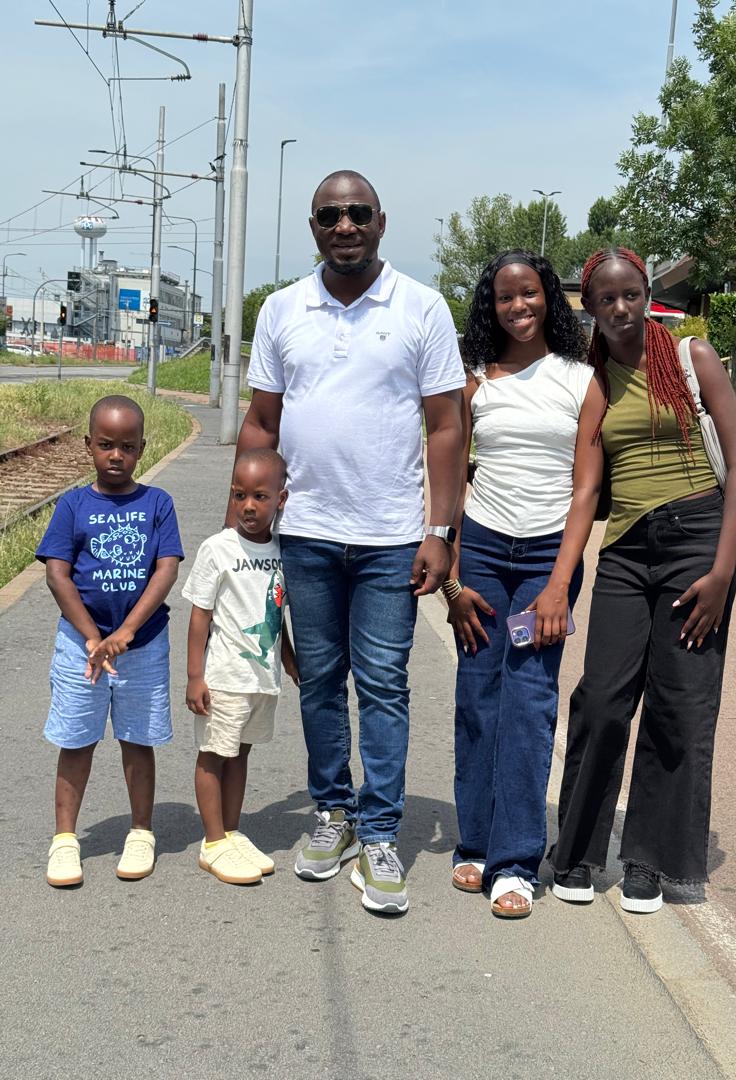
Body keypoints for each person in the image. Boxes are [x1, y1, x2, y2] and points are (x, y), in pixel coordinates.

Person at [233, 169, 466, 914]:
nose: (344, 226)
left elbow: (446, 425)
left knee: (385, 685)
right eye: (330, 215)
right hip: (305, 535)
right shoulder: (281, 310)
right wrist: (242, 525)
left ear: (381, 221)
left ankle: (382, 830)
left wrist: (440, 532)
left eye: (357, 213)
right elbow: (263, 422)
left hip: (390, 538)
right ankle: (331, 813)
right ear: (314, 227)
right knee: (320, 684)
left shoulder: (422, 308)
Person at [550, 247, 736, 913]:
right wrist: (561, 577)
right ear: (590, 305)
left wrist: (722, 573)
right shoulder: (596, 377)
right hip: (628, 553)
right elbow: (585, 491)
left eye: (631, 294)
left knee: (680, 706)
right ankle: (578, 851)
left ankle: (649, 861)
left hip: (696, 540)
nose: (619, 308)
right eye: (605, 298)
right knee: (604, 699)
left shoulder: (694, 359)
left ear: (647, 294)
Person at [444, 250, 606, 918]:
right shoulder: (475, 381)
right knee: (478, 696)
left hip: (545, 558)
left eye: (531, 294)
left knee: (531, 699)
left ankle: (515, 863)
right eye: (506, 296)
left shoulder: (580, 380)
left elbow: (587, 486)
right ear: (492, 303)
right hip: (481, 550)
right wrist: (453, 581)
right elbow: (450, 480)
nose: (519, 306)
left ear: (550, 299)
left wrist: (559, 584)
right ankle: (475, 846)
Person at [36, 395, 184, 887]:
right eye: (105, 445)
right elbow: (58, 574)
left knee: (137, 739)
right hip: (82, 648)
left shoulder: (157, 504)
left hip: (142, 646)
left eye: (126, 446)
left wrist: (125, 632)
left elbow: (165, 570)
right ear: (88, 446)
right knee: (75, 739)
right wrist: (93, 635)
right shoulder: (73, 504)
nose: (115, 455)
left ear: (142, 448)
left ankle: (141, 831)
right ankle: (64, 840)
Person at [183, 447, 298, 885]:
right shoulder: (218, 548)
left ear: (280, 500)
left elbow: (277, 614)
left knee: (241, 753)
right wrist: (196, 675)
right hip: (225, 677)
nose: (248, 506)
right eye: (239, 495)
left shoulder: (281, 550)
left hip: (261, 679)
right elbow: (200, 615)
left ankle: (231, 831)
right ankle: (212, 842)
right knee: (214, 754)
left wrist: (288, 660)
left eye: (260, 497)